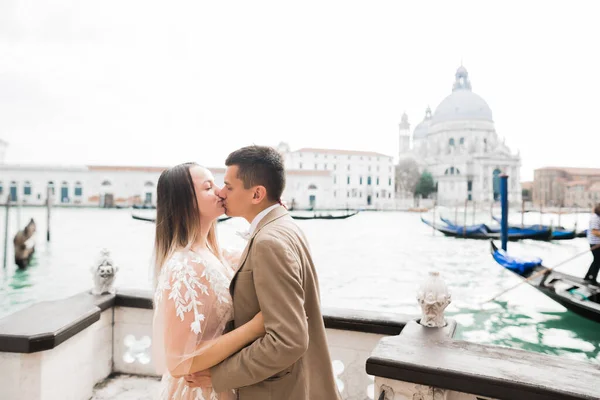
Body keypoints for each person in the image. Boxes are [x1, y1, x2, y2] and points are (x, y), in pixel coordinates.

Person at [186, 145, 341, 400]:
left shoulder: (269, 241)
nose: (222, 193)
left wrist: (219, 375)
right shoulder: (284, 225)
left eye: (229, 186)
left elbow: (287, 341)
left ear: (257, 194)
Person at [152, 162, 266, 400]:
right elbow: (177, 362)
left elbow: (265, 250)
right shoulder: (183, 266)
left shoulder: (216, 253)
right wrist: (254, 328)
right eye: (208, 187)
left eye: (217, 184)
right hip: (199, 390)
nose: (221, 191)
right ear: (187, 202)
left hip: (225, 382)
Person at [584, 203, 600, 283]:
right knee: (597, 260)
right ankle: (591, 278)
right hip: (595, 243)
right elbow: (595, 232)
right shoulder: (595, 218)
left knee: (597, 260)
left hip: (597, 243)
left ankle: (589, 277)